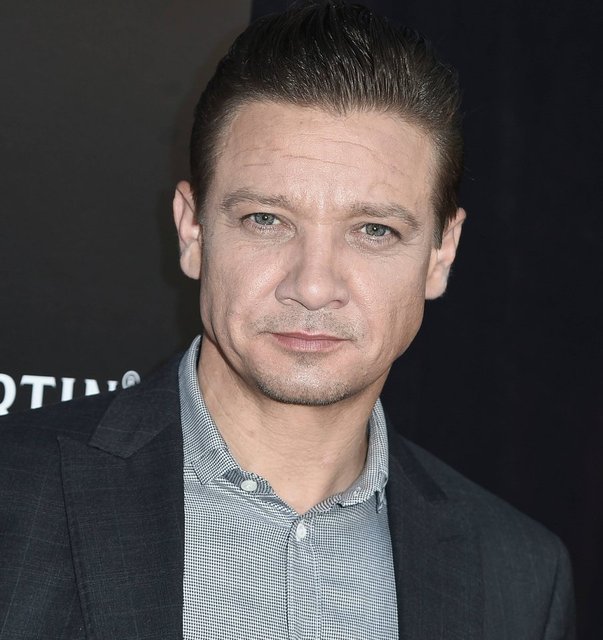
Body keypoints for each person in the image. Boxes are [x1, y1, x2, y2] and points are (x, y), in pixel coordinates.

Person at [0, 2, 574, 639]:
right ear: (192, 231)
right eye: (266, 220)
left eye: (374, 230)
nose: (313, 286)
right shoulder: (12, 500)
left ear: (441, 254)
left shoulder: (519, 575)